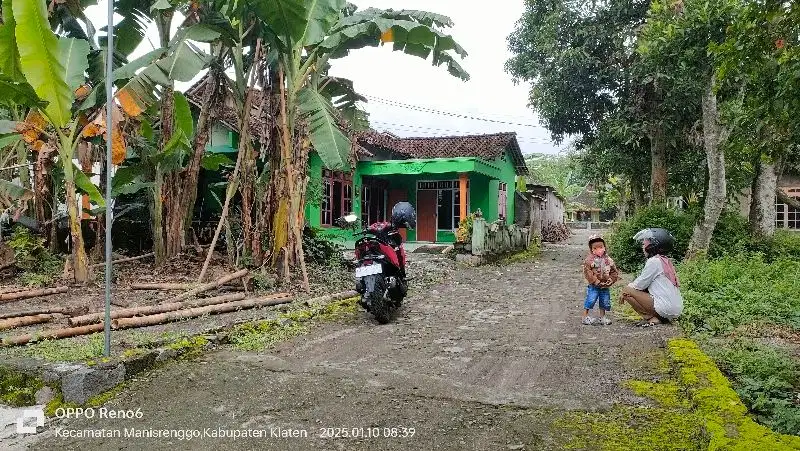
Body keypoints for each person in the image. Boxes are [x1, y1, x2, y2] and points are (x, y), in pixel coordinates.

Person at [620, 228, 683, 327]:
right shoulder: (666, 261)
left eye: (644, 244)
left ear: (652, 246)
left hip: (664, 308)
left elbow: (640, 285)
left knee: (626, 291)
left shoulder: (654, 261)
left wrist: (626, 289)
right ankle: (660, 317)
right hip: (676, 309)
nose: (643, 247)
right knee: (630, 290)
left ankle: (651, 318)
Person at [582, 234, 620, 325]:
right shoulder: (589, 261)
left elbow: (614, 271)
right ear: (591, 249)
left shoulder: (608, 260)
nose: (598, 250)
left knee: (604, 301)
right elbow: (588, 273)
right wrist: (595, 281)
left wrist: (611, 279)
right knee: (591, 300)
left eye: (601, 247)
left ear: (604, 247)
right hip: (594, 285)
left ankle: (602, 317)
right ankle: (585, 316)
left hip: (605, 285)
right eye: (595, 248)